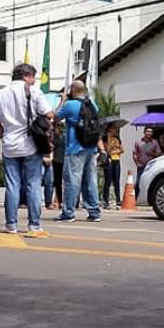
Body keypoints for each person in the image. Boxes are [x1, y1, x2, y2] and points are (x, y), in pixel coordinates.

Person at [0, 64, 53, 234]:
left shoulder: (0, 94)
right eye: (33, 76)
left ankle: (11, 224)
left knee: (12, 185)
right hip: (31, 144)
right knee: (33, 184)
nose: (33, 81)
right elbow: (49, 114)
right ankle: (34, 225)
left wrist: (3, 134)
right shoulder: (34, 92)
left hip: (10, 145)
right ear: (26, 75)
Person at [55, 80, 102, 223]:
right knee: (90, 180)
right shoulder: (92, 105)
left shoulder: (70, 105)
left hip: (75, 148)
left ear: (73, 90)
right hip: (91, 148)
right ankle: (94, 212)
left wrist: (63, 100)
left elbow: (56, 117)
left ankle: (68, 213)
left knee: (72, 180)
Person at [133, 127, 160, 199]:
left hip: (151, 166)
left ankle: (151, 199)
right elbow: (134, 153)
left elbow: (158, 154)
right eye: (148, 131)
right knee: (138, 183)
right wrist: (137, 163)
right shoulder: (138, 142)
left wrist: (152, 154)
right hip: (141, 165)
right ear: (144, 132)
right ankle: (135, 199)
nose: (149, 133)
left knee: (151, 182)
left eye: (151, 132)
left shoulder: (155, 142)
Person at [102, 125, 123, 209]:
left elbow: (122, 149)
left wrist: (116, 150)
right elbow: (107, 150)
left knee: (116, 180)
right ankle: (105, 200)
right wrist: (109, 139)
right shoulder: (105, 139)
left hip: (116, 160)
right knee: (108, 181)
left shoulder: (117, 139)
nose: (115, 130)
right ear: (109, 129)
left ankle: (118, 199)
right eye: (114, 128)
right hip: (109, 160)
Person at [51, 122, 65, 209]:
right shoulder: (53, 137)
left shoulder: (65, 137)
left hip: (65, 161)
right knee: (57, 182)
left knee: (67, 182)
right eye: (57, 127)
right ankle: (59, 201)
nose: (59, 129)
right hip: (56, 161)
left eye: (60, 127)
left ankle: (66, 201)